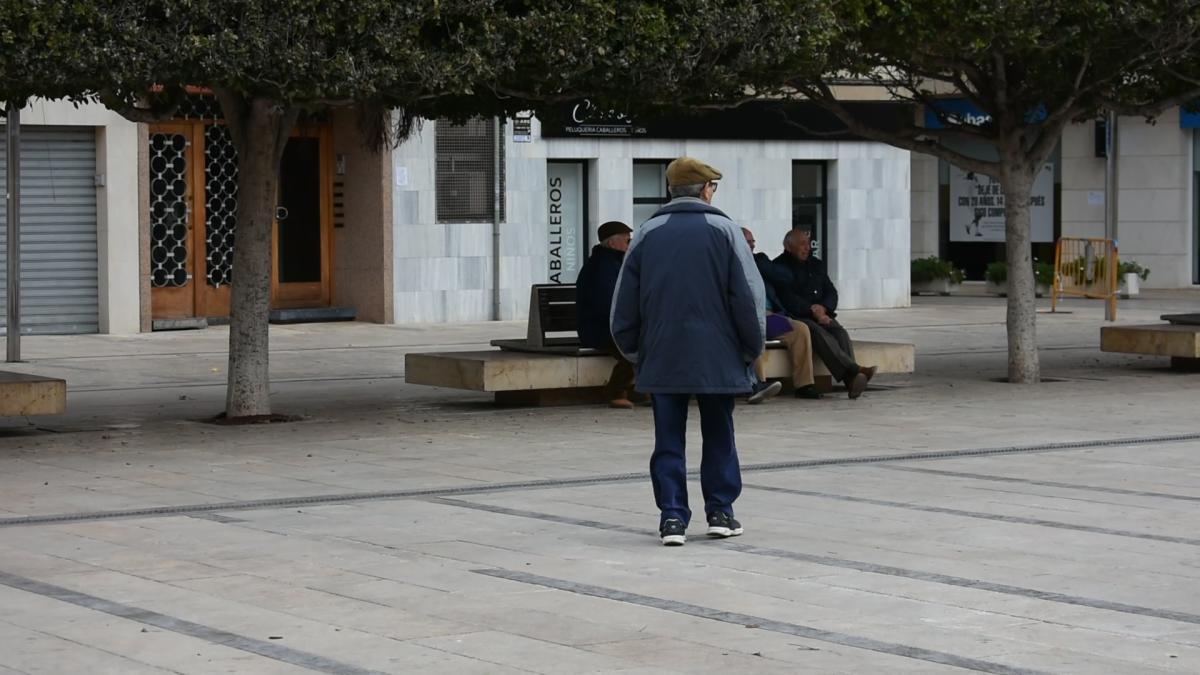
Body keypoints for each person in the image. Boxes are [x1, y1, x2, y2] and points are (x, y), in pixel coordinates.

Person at [611, 156, 762, 546]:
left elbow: (624, 303)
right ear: (706, 190)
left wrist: (633, 350)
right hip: (718, 353)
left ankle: (673, 517)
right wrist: (751, 348)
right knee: (719, 433)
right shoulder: (726, 230)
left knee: (667, 438)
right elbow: (747, 297)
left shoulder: (646, 233)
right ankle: (721, 511)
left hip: (662, 352)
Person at [772, 229, 876, 399]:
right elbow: (787, 298)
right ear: (788, 246)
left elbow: (831, 291)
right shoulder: (779, 267)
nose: (807, 248)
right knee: (816, 332)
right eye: (801, 244)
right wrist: (812, 310)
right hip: (799, 315)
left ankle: (852, 381)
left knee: (839, 332)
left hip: (822, 313)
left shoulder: (816, 264)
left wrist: (824, 308)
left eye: (808, 243)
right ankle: (854, 370)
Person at [741, 228, 822, 400]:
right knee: (755, 333)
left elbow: (786, 277)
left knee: (800, 329)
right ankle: (757, 385)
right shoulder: (729, 264)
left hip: (769, 317)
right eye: (748, 242)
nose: (752, 245)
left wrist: (757, 264)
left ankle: (804, 385)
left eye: (753, 242)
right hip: (746, 319)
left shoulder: (760, 260)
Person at [576, 220, 640, 409]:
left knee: (651, 337)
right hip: (599, 328)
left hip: (611, 325)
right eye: (627, 241)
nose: (630, 244)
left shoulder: (615, 263)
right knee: (637, 340)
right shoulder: (601, 267)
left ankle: (639, 389)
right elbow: (608, 304)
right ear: (612, 243)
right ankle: (616, 390)